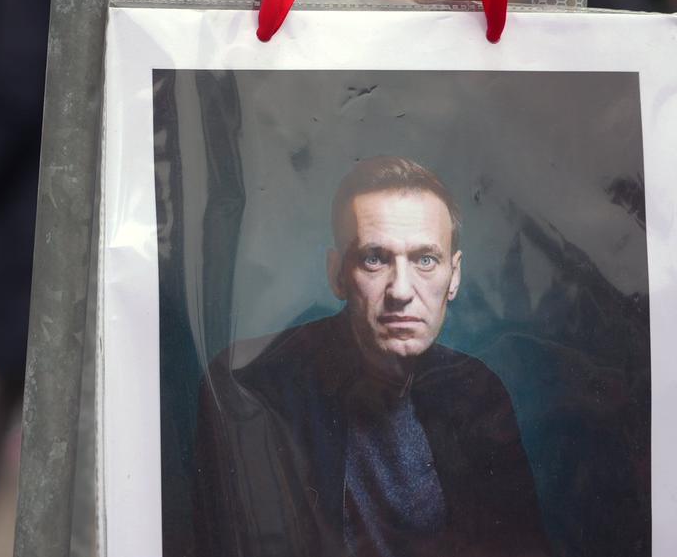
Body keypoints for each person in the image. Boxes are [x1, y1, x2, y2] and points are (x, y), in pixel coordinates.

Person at [192, 156, 551, 557]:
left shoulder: (477, 391)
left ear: (455, 276)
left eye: (425, 260)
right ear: (337, 274)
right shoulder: (251, 386)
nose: (401, 290)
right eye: (375, 258)